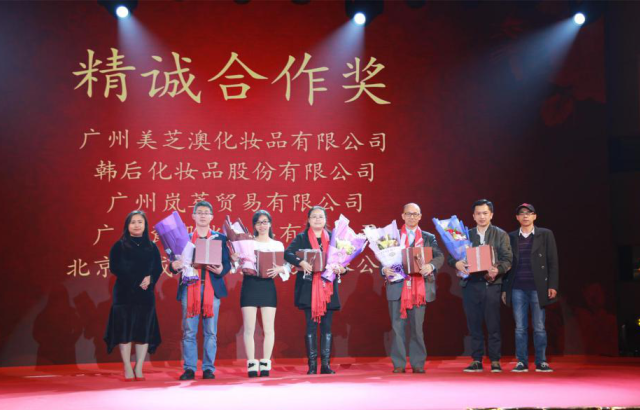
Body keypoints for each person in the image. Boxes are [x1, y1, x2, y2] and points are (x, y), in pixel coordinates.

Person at [448, 199, 513, 373]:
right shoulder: (465, 235)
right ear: (473, 216)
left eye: (485, 213)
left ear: (491, 215)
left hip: (491, 284)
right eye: (478, 213)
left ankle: (495, 360)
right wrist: (457, 263)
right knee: (474, 324)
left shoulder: (501, 234)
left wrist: (497, 270)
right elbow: (451, 256)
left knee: (493, 324)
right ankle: (476, 359)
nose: (482, 216)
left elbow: (508, 259)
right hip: (471, 284)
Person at [170, 201, 231, 380]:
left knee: (211, 332)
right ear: (193, 216)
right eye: (199, 212)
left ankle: (208, 368)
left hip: (212, 289)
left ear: (212, 217)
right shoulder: (185, 239)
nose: (203, 215)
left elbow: (227, 263)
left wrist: (222, 270)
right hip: (190, 288)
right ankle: (189, 368)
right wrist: (174, 266)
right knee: (189, 331)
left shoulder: (220, 238)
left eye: (206, 212)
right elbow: (174, 264)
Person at [284, 206, 347, 375]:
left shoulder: (334, 238)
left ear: (325, 220)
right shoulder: (302, 237)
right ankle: (312, 365)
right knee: (310, 326)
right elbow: (287, 254)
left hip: (328, 288)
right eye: (314, 216)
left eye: (321, 216)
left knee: (327, 327)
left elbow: (344, 259)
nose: (317, 219)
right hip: (308, 287)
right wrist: (301, 262)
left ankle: (325, 365)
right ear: (308, 220)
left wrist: (342, 269)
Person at [382, 203, 444, 374]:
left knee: (417, 328)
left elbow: (439, 256)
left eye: (415, 214)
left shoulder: (428, 237)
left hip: (419, 288)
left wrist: (431, 266)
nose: (412, 217)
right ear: (402, 216)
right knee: (397, 328)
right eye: (408, 214)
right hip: (397, 286)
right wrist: (384, 269)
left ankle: (418, 363)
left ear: (420, 216)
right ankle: (399, 364)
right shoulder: (392, 236)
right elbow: (383, 258)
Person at [104, 210, 162, 381]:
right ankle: (127, 366)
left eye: (140, 222)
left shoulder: (152, 247)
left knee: (143, 331)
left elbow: (157, 269)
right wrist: (137, 281)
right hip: (124, 294)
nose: (137, 225)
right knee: (125, 330)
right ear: (127, 225)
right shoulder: (119, 246)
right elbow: (115, 268)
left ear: (145, 225)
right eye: (133, 222)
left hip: (145, 295)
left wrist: (150, 279)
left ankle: (139, 366)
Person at [502, 203, 559, 372]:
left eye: (529, 213)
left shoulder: (545, 234)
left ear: (535, 216)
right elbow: (506, 263)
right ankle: (522, 361)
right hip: (517, 287)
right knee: (520, 328)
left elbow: (553, 261)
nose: (525, 216)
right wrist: (505, 288)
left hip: (538, 287)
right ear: (517, 217)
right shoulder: (511, 237)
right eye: (522, 213)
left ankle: (541, 361)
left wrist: (552, 285)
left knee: (539, 327)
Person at [239, 210, 290, 377]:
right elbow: (237, 265)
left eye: (265, 222)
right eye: (259, 222)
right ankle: (252, 363)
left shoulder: (277, 245)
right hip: (250, 285)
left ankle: (266, 363)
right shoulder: (247, 243)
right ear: (254, 225)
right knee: (249, 328)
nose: (262, 225)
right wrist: (237, 258)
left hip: (268, 286)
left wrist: (280, 269)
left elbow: (287, 265)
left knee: (269, 329)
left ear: (270, 224)